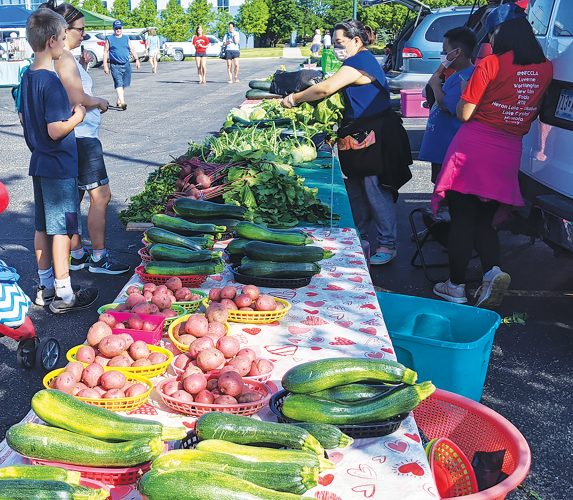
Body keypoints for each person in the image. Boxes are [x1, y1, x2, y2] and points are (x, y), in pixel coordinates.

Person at [432, 4, 553, 308]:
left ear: (500, 32)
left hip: (475, 147)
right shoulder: (545, 67)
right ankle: (492, 272)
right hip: (509, 150)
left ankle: (455, 286)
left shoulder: (492, 64)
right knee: (485, 222)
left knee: (462, 219)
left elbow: (465, 112)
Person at [281, 20, 412, 266]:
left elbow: (325, 89)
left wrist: (294, 99)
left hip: (374, 134)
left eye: (340, 43)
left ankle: (387, 244)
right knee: (356, 189)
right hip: (357, 134)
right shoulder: (354, 61)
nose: (336, 49)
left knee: (374, 188)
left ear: (356, 40)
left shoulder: (360, 63)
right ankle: (358, 237)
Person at [19, 8, 98, 313]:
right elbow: (55, 129)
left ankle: (45, 287)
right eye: (64, 38)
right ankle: (64, 293)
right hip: (58, 166)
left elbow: (27, 118)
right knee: (62, 229)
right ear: (52, 40)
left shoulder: (28, 77)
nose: (66, 44)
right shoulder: (51, 83)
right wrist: (77, 116)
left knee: (42, 226)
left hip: (40, 163)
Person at [46, 1, 130, 276]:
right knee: (101, 196)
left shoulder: (62, 57)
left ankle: (78, 253)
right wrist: (101, 101)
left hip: (76, 138)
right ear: (64, 29)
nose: (84, 34)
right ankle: (98, 257)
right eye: (80, 29)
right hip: (82, 138)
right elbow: (76, 99)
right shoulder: (64, 58)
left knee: (74, 198)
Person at [419, 27, 477, 184]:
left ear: (457, 52)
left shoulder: (466, 77)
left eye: (445, 50)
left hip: (448, 147)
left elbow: (446, 105)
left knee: (445, 184)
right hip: (440, 146)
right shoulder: (455, 74)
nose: (443, 54)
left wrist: (436, 86)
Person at [103, 20, 140, 109]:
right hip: (115, 65)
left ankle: (119, 100)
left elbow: (132, 49)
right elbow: (105, 52)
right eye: (116, 28)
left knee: (124, 84)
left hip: (126, 64)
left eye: (119, 28)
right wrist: (105, 65)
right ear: (113, 28)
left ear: (122, 28)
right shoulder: (109, 39)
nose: (118, 30)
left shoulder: (126, 38)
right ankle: (123, 102)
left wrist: (137, 59)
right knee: (118, 82)